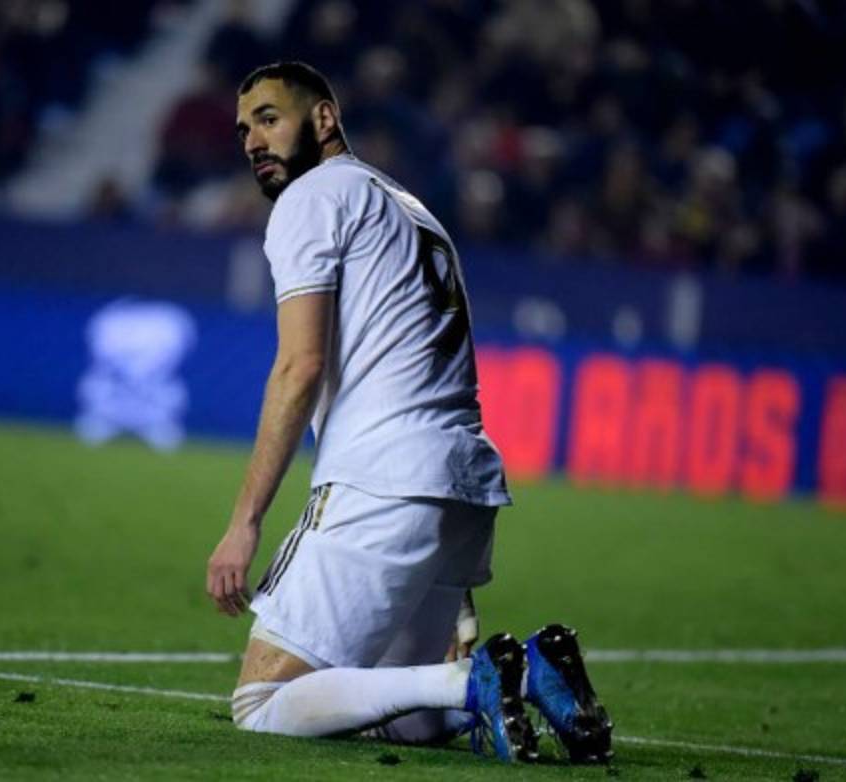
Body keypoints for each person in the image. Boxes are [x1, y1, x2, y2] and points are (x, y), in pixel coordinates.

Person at [205, 61, 611, 764]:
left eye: (268, 119)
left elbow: (300, 366)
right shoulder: (409, 207)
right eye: (243, 130)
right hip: (461, 482)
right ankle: (531, 672)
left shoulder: (311, 199)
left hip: (382, 478)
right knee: (406, 720)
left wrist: (244, 523)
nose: (253, 142)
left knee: (262, 702)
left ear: (323, 118)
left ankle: (471, 680)